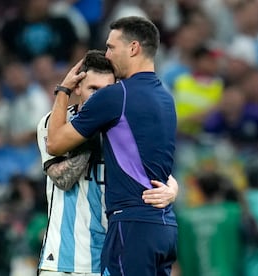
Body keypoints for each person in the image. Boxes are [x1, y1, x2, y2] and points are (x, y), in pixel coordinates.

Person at [47, 16, 177, 276]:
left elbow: (55, 143)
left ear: (133, 48)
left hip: (130, 225)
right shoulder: (166, 98)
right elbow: (150, 162)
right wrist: (173, 188)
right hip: (164, 226)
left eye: (111, 47)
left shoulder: (116, 96)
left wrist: (63, 90)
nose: (107, 55)